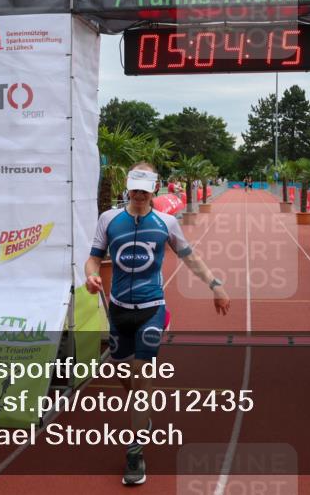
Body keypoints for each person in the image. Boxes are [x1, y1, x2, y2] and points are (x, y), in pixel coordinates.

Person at [84, 162, 230, 486]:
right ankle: (143, 417)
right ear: (127, 187)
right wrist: (91, 275)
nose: (139, 194)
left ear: (155, 189)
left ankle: (135, 453)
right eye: (134, 188)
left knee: (141, 378)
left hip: (151, 309)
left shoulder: (166, 223)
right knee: (123, 373)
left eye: (144, 189)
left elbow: (190, 257)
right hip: (118, 310)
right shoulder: (108, 219)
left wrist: (215, 285)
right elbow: (93, 257)